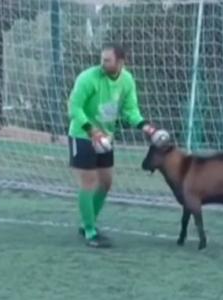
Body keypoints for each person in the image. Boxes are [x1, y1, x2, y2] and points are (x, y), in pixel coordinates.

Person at [67, 43, 169, 248]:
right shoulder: (88, 78)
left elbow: (131, 111)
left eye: (107, 60)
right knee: (88, 182)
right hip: (82, 134)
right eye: (102, 59)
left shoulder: (127, 80)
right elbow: (74, 107)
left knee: (105, 182)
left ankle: (88, 221)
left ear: (120, 62)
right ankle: (89, 232)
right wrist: (91, 130)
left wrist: (147, 128)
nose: (102, 63)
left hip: (106, 137)